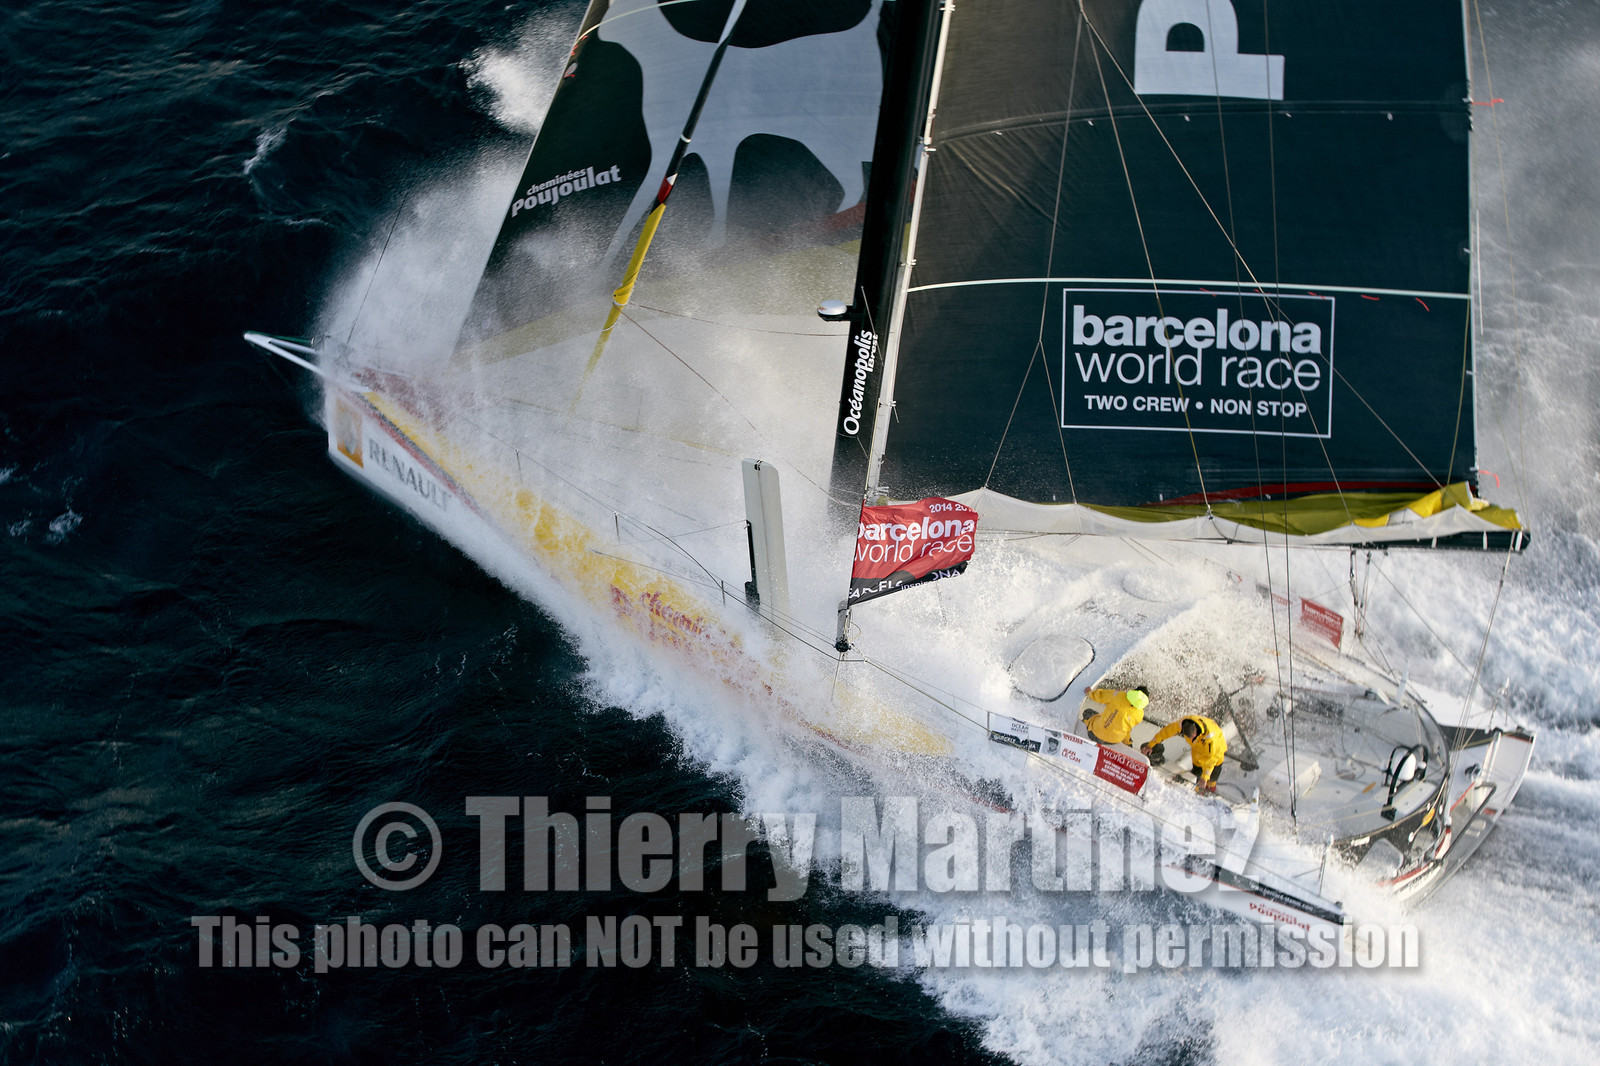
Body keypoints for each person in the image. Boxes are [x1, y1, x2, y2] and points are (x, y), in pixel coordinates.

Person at [1142, 716, 1227, 792]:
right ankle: (1197, 789)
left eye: (1192, 737)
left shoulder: (1211, 740)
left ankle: (1210, 789)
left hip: (1216, 753)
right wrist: (1151, 745)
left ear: (1196, 733)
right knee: (1196, 773)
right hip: (1198, 750)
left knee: (1212, 776)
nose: (1190, 739)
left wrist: (1205, 778)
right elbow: (1165, 732)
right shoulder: (1183, 724)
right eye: (1188, 737)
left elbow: (1211, 760)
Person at [1079, 685, 1149, 746]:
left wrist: (1090, 693)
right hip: (1114, 741)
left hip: (1095, 734)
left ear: (1135, 692)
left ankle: (1079, 730)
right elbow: (1127, 727)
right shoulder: (1140, 714)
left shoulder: (1119, 695)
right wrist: (1128, 742)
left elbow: (1100, 696)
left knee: (1088, 712)